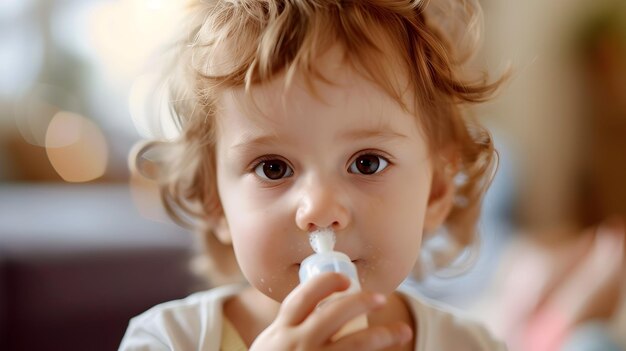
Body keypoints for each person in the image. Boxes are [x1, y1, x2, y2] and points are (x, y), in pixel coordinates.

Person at [119, 0, 507, 350]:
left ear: (437, 191)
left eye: (366, 163)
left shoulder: (468, 344)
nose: (319, 210)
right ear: (215, 201)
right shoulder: (168, 340)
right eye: (274, 168)